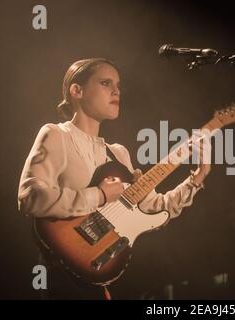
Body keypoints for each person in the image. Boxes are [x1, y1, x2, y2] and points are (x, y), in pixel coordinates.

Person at [17, 58, 211, 299]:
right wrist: (99, 195)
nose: (116, 90)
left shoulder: (118, 153)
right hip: (59, 277)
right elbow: (30, 197)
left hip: (98, 277)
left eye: (118, 85)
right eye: (106, 83)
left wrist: (197, 178)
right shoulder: (56, 135)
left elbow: (155, 210)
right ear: (76, 91)